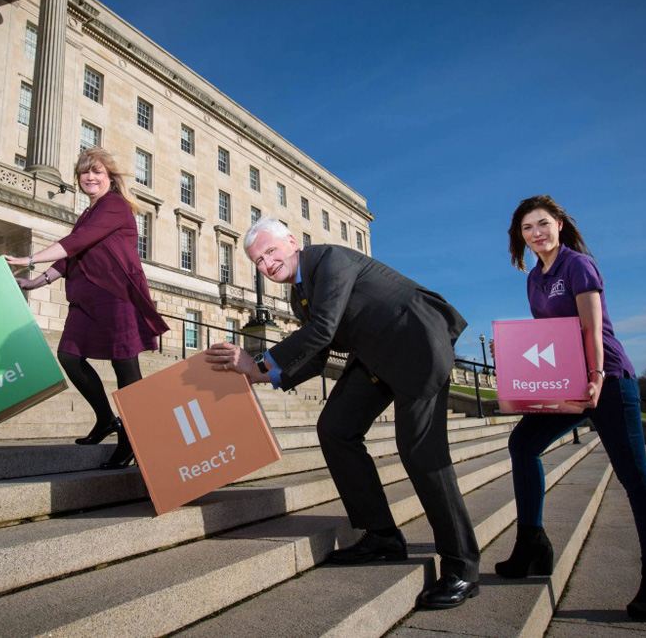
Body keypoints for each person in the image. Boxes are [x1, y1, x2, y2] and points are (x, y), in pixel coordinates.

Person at [205, 218, 481, 610]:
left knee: (422, 454)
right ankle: (382, 536)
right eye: (258, 260)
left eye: (271, 251)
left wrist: (259, 363)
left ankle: (462, 567)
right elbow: (317, 355)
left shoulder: (331, 260)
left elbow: (322, 329)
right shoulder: (299, 294)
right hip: (375, 358)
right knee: (335, 427)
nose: (267, 264)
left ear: (293, 242)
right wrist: (261, 377)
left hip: (416, 345)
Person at [494, 195, 646, 621]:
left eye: (542, 224)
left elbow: (590, 326)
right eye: (526, 228)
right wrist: (530, 385)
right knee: (523, 444)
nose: (536, 233)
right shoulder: (534, 277)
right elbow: (551, 339)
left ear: (558, 224)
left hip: (608, 379)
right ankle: (532, 544)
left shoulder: (577, 265)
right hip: (569, 381)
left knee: (635, 476)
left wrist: (595, 376)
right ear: (519, 237)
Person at [6, 148, 168, 468]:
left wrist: (28, 258)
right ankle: (107, 419)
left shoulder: (115, 206)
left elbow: (75, 244)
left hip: (115, 295)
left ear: (109, 177)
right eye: (84, 173)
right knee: (69, 355)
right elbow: (70, 256)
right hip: (85, 299)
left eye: (96, 172)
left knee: (126, 368)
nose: (90, 178)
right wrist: (36, 281)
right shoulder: (87, 214)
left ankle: (131, 441)